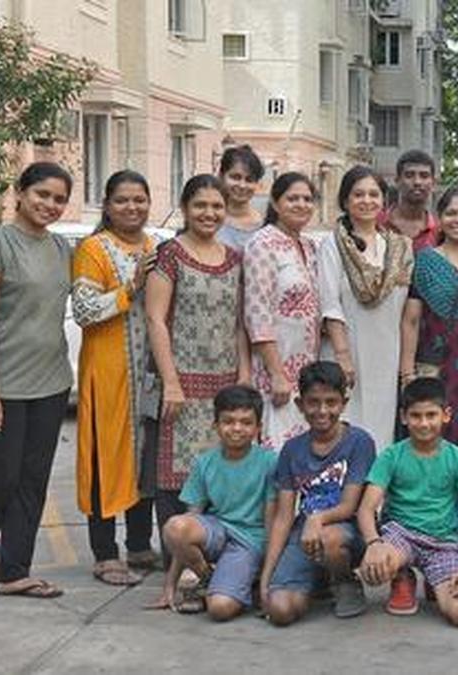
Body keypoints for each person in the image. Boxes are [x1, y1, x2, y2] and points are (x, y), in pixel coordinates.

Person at [147, 174, 249, 551]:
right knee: (176, 472)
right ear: (186, 208)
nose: (209, 213)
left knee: (220, 467)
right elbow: (156, 319)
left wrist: (244, 373)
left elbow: (240, 322)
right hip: (182, 382)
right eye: (200, 205)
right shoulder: (170, 254)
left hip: (224, 384)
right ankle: (178, 554)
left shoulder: (235, 259)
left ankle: (215, 549)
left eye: (217, 206)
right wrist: (170, 381)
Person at [72, 170, 161, 586]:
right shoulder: (94, 248)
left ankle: (140, 545)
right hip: (107, 375)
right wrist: (131, 286)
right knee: (103, 459)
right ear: (107, 205)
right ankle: (105, 552)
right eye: (123, 200)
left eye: (139, 199)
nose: (132, 207)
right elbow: (86, 310)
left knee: (144, 459)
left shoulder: (155, 245)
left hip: (147, 373)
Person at [0, 163, 74, 599]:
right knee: (1, 477)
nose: (50, 205)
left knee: (32, 479)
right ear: (20, 193)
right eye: (42, 194)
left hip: (52, 380)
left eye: (59, 199)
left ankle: (13, 571)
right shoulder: (0, 242)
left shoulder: (62, 247)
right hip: (6, 383)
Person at [356, 377, 458, 626]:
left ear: (446, 415)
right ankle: (402, 576)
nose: (424, 423)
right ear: (404, 417)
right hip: (401, 534)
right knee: (373, 569)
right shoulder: (391, 456)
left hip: (442, 543)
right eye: (416, 416)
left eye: (431, 415)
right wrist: (374, 544)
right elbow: (366, 508)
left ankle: (435, 581)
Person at [261, 362, 376, 625]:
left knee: (329, 538)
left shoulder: (359, 442)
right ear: (300, 405)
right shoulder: (291, 450)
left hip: (347, 533)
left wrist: (316, 519)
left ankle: (345, 580)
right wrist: (267, 578)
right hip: (305, 537)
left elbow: (349, 506)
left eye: (331, 402)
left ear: (344, 403)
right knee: (279, 610)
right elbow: (283, 517)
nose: (322, 411)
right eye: (313, 402)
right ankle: (318, 579)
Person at [149, 385, 277, 620]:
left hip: (250, 542)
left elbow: (272, 523)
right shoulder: (204, 463)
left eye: (246, 422)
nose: (236, 428)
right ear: (215, 425)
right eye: (228, 421)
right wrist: (170, 586)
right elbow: (186, 526)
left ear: (258, 428)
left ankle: (239, 584)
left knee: (219, 609)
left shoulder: (270, 462)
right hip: (217, 532)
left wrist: (267, 578)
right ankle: (207, 578)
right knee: (175, 526)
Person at [401, 185, 458, 487]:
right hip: (435, 367)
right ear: (439, 218)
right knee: (434, 434)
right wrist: (407, 372)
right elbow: (412, 319)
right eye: (452, 213)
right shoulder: (426, 262)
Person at [318, 166, 414, 448]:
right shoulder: (332, 245)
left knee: (380, 434)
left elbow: (407, 310)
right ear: (345, 201)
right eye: (358, 194)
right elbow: (330, 303)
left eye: (374, 194)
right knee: (345, 429)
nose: (367, 201)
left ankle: (375, 492)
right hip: (346, 354)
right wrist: (343, 355)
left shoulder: (398, 248)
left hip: (386, 356)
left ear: (384, 201)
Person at [243, 172, 322, 449]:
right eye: (292, 198)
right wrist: (277, 373)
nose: (301, 204)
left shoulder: (310, 246)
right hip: (274, 368)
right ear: (275, 203)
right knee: (277, 447)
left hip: (307, 370)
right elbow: (257, 313)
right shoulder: (262, 244)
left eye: (307, 199)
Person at [385, 149, 440, 251]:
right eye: (409, 175)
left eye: (424, 176)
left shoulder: (440, 233)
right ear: (397, 181)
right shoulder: (378, 224)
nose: (417, 182)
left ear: (433, 183)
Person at [216, 145, 266, 252]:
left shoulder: (265, 224)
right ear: (221, 176)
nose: (242, 185)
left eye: (249, 180)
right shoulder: (210, 219)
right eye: (235, 177)